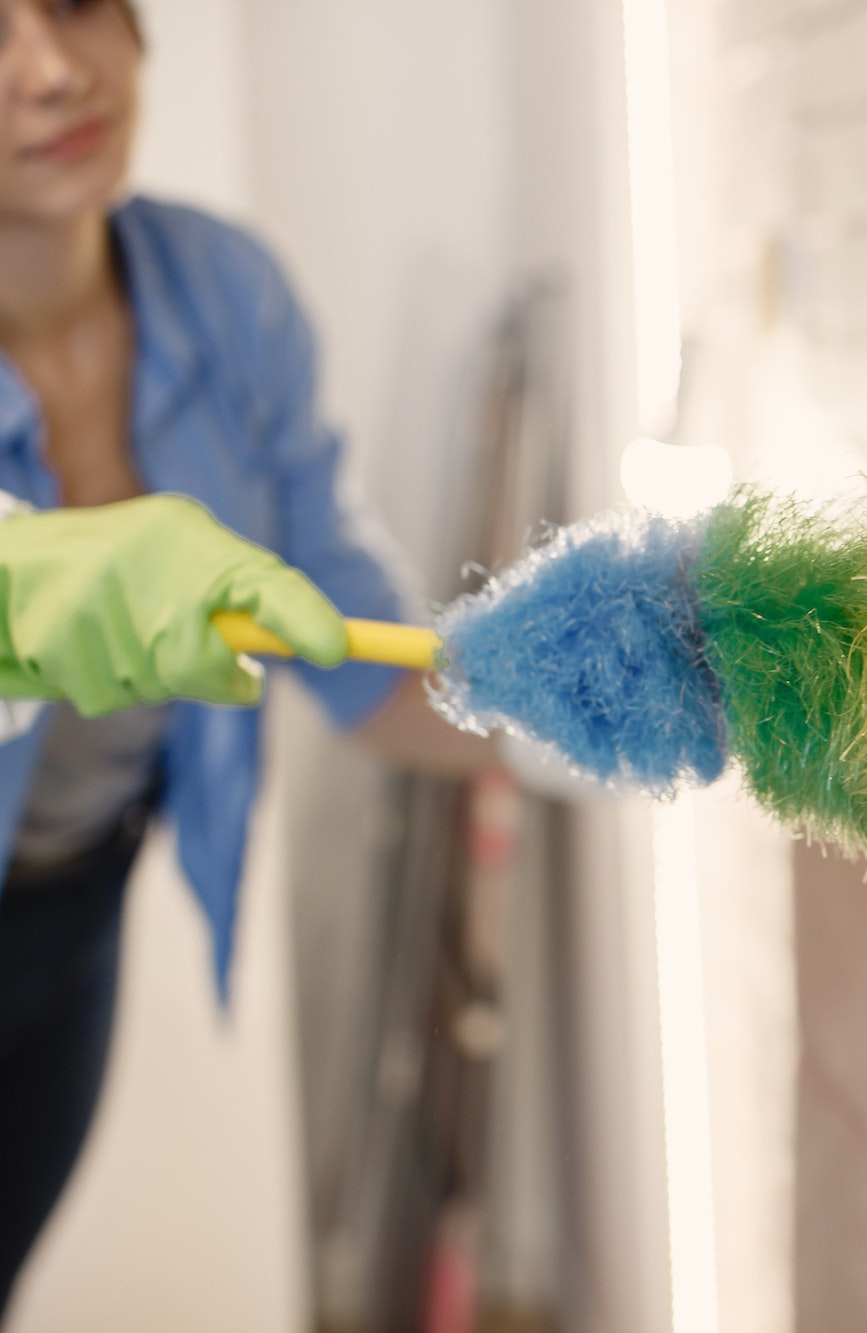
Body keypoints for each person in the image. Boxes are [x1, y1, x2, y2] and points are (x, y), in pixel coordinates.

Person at [0, 0, 494, 1310]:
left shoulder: (225, 297)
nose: (50, 70)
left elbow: (360, 647)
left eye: (75, 4)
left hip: (69, 913)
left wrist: (601, 688)